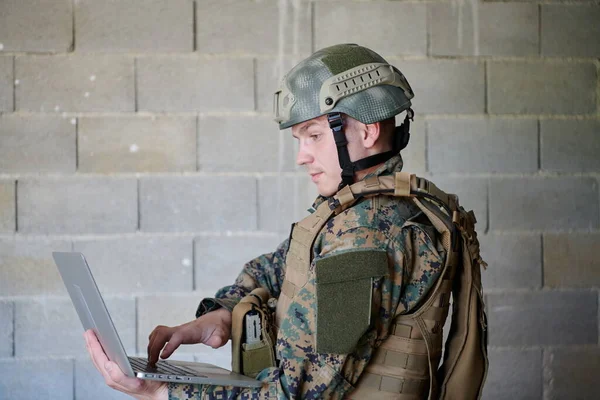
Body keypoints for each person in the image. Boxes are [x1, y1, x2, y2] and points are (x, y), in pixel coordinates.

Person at [85, 43, 488, 400]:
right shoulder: (351, 215)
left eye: (313, 136)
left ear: (366, 131)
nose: (302, 156)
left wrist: (162, 393)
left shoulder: (368, 238)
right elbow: (278, 266)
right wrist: (220, 314)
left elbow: (293, 392)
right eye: (299, 141)